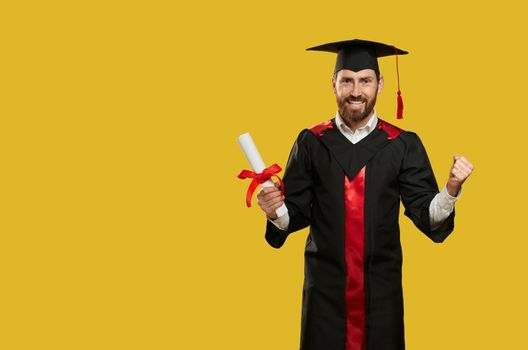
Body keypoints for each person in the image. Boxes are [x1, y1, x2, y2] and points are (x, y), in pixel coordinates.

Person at [256, 39, 474, 350]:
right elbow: (294, 214)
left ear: (380, 84)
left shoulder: (402, 144)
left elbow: (427, 215)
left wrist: (451, 189)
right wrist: (273, 210)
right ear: (333, 84)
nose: (356, 90)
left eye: (365, 81)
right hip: (325, 296)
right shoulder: (311, 141)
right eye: (347, 80)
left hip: (380, 296)